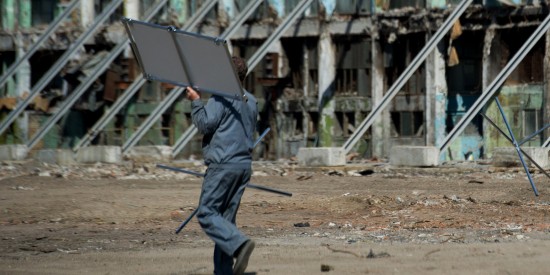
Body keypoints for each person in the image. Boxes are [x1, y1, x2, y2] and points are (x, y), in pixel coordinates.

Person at [185, 56, 258, 275]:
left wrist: (196, 101)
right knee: (225, 221)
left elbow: (205, 124)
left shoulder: (222, 97)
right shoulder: (252, 100)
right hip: (243, 165)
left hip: (223, 164)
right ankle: (224, 271)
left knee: (207, 213)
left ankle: (240, 244)